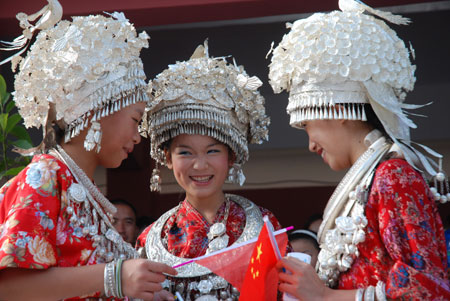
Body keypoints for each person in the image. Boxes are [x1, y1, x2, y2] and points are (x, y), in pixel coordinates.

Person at [269, 1, 450, 300]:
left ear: (337, 108)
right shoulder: (373, 179)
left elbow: (427, 288)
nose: (310, 143)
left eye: (307, 124)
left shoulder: (393, 177)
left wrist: (325, 296)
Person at [0, 2, 176, 299]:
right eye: (135, 120)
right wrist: (115, 277)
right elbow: (9, 287)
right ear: (98, 109)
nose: (137, 137)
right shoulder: (46, 176)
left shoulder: (81, 186)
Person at [136, 42, 284, 300]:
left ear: (231, 157)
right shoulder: (151, 239)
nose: (200, 165)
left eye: (212, 151)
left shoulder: (264, 226)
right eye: (185, 152)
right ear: (167, 158)